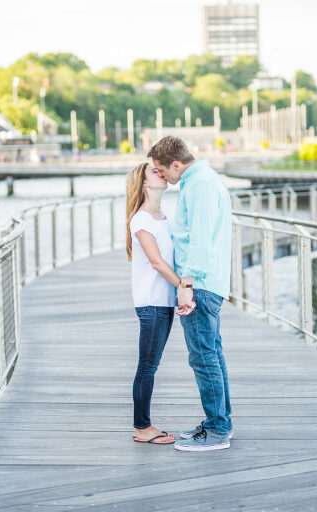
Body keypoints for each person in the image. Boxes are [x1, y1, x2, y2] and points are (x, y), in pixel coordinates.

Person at [148, 136, 233, 451]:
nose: (162, 177)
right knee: (212, 353)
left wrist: (185, 286)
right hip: (206, 281)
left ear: (175, 164)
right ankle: (218, 421)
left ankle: (218, 431)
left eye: (161, 170)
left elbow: (198, 240)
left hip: (199, 284)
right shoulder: (202, 181)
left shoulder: (199, 186)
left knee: (203, 357)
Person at [125, 162, 193, 445]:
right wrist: (183, 286)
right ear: (143, 183)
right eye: (154, 172)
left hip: (163, 303)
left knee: (151, 365)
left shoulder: (163, 218)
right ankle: (142, 427)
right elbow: (156, 262)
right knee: (147, 367)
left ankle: (143, 425)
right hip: (152, 304)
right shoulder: (141, 220)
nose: (161, 172)